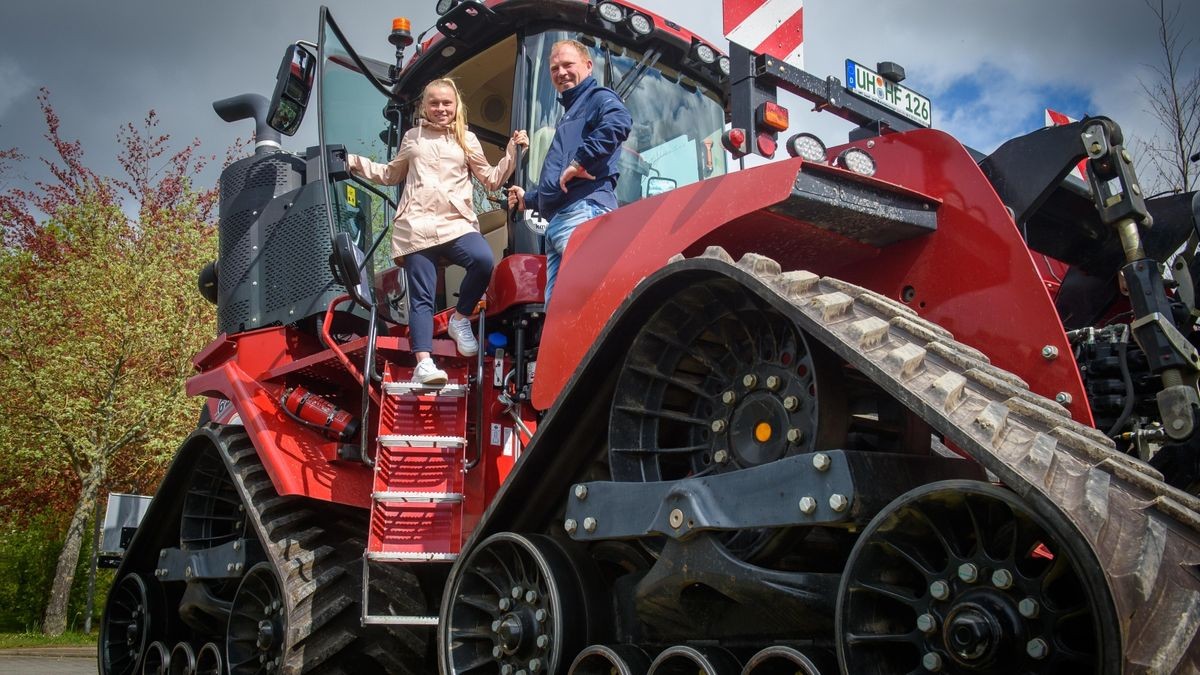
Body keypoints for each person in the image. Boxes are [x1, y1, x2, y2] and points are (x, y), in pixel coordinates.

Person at [349, 78, 528, 385]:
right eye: (435, 103)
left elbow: (491, 179)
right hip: (417, 225)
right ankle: (424, 363)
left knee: (482, 259)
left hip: (455, 222)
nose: (441, 108)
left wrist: (512, 150)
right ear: (425, 107)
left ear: (456, 106)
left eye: (447, 103)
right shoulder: (412, 138)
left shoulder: (466, 139)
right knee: (422, 296)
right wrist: (356, 162)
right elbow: (391, 174)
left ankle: (460, 319)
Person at [507, 39, 632, 307]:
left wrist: (581, 161)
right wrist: (527, 200)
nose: (561, 72)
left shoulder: (599, 98)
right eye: (554, 68)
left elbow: (619, 122)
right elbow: (560, 182)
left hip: (582, 211)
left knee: (582, 304)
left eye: (568, 65)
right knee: (558, 316)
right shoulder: (570, 114)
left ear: (588, 66)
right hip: (559, 221)